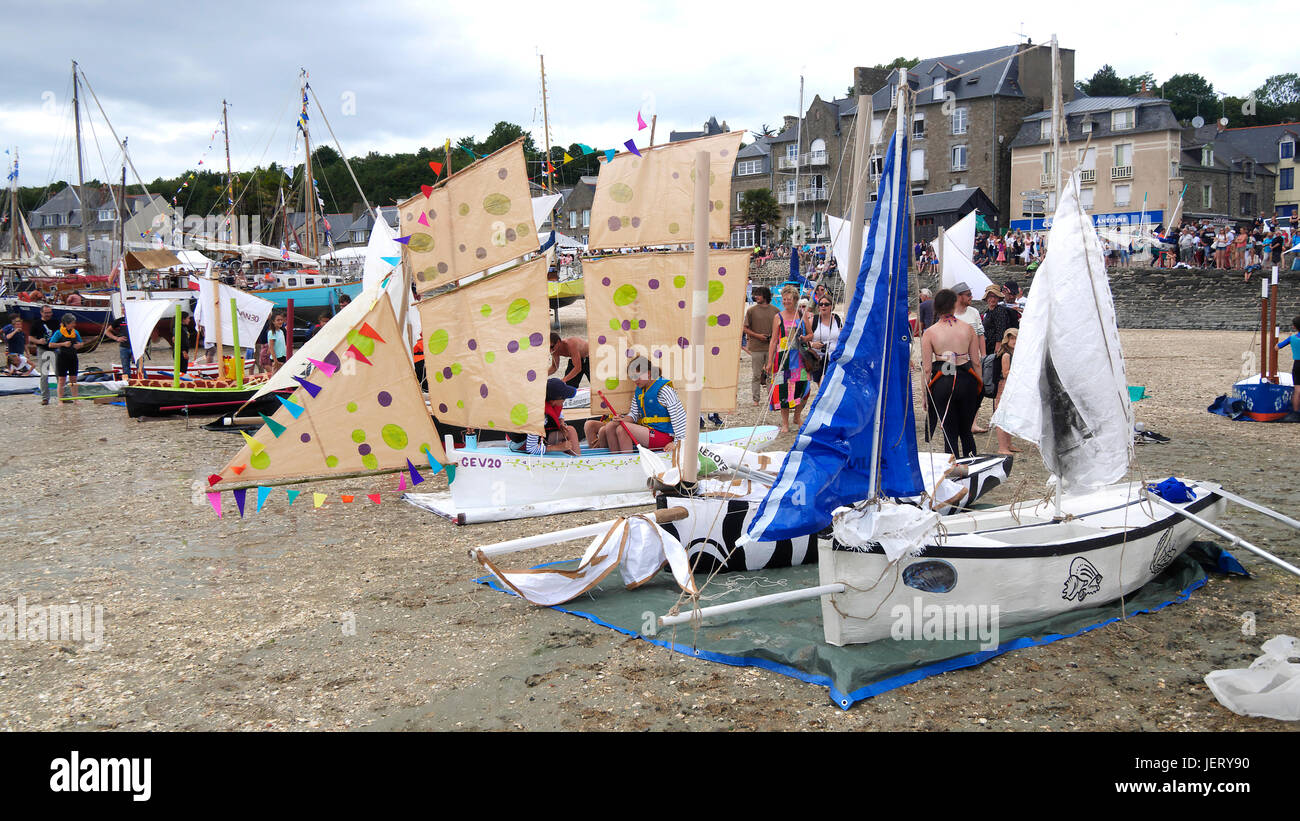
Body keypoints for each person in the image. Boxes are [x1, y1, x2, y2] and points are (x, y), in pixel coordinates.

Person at [921, 289, 981, 457]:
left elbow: (926, 369)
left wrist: (925, 395)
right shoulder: (968, 329)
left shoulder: (930, 332)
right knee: (966, 430)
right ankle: (972, 468)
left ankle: (954, 472)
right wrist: (980, 385)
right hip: (966, 379)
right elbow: (976, 361)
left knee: (949, 431)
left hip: (943, 380)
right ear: (954, 304)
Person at [596, 356, 686, 453]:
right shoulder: (640, 390)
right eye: (632, 377)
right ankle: (616, 461)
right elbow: (634, 414)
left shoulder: (665, 391)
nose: (635, 380)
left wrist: (677, 443)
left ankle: (627, 462)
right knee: (611, 426)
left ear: (648, 373)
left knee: (623, 429)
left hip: (665, 436)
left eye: (636, 376)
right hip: (648, 432)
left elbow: (680, 418)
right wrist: (622, 419)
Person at [767, 283, 811, 433]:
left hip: (800, 357)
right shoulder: (777, 317)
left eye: (789, 299)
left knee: (804, 388)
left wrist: (805, 337)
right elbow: (773, 340)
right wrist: (769, 361)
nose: (786, 302)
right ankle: (785, 423)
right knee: (783, 390)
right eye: (784, 299)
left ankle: (797, 416)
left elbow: (811, 334)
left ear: (795, 300)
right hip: (782, 359)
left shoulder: (802, 315)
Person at [508, 378, 582, 456]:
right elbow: (531, 449)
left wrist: (561, 422)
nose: (565, 400)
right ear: (553, 401)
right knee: (570, 431)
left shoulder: (545, 400)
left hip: (523, 438)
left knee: (566, 430)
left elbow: (558, 413)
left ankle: (570, 455)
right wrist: (558, 447)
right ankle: (577, 461)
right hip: (519, 444)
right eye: (564, 398)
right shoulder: (539, 416)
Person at [742, 286, 778, 406]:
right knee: (756, 375)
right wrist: (758, 336)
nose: (755, 297)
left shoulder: (776, 311)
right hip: (756, 348)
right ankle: (756, 399)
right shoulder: (751, 311)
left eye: (758, 294)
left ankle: (771, 398)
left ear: (765, 295)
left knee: (771, 375)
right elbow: (744, 328)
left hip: (771, 347)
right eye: (755, 294)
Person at [804, 294, 842, 386]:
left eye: (826, 304)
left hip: (834, 358)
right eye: (821, 304)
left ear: (831, 306)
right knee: (822, 386)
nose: (823, 306)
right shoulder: (813, 320)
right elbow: (802, 340)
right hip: (818, 359)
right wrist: (812, 345)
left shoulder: (836, 319)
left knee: (832, 386)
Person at [993, 328, 1020, 454]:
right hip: (1003, 386)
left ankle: (1008, 444)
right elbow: (1005, 373)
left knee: (1010, 415)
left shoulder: (1016, 353)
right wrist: (1019, 370)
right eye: (1012, 338)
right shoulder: (1006, 355)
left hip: (1011, 386)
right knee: (1001, 414)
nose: (1014, 341)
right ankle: (1002, 447)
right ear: (1007, 339)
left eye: (1016, 338)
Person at [30, 305, 62, 405]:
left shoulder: (55, 322)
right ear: (41, 313)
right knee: (44, 374)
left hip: (55, 350)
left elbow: (61, 333)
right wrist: (38, 341)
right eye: (46, 313)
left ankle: (62, 396)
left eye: (49, 313)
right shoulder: (36, 323)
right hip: (43, 350)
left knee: (59, 374)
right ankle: (45, 398)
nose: (48, 315)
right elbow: (30, 338)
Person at [48, 313, 83, 404]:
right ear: (66, 323)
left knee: (73, 379)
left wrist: (78, 345)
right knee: (61, 379)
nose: (74, 325)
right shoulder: (58, 333)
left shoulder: (75, 332)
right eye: (72, 323)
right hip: (62, 357)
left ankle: (75, 399)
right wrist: (63, 344)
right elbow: (51, 344)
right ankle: (61, 400)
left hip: (73, 357)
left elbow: (81, 343)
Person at [1279, 316, 1300, 415]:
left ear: (1295, 327)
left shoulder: (1292, 338)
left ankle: (1296, 412)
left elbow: (1276, 347)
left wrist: (1291, 338)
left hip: (1297, 364)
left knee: (1297, 389)